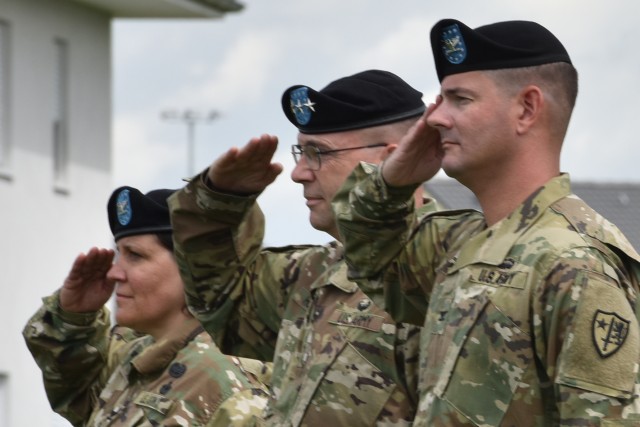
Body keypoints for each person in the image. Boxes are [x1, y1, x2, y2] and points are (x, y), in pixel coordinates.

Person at [332, 19, 640, 426]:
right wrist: (391, 182)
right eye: (440, 100)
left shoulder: (574, 261)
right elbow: (369, 261)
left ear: (527, 109)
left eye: (460, 99)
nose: (435, 118)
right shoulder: (465, 242)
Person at [169, 70, 441, 425]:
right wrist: (219, 202)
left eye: (318, 154)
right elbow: (221, 304)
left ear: (390, 160)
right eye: (301, 151)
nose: (298, 173)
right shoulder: (313, 274)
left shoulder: (440, 270)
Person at [23, 186, 270, 427]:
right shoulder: (139, 359)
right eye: (118, 254)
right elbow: (77, 392)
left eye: (135, 255)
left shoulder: (231, 392)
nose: (114, 272)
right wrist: (75, 317)